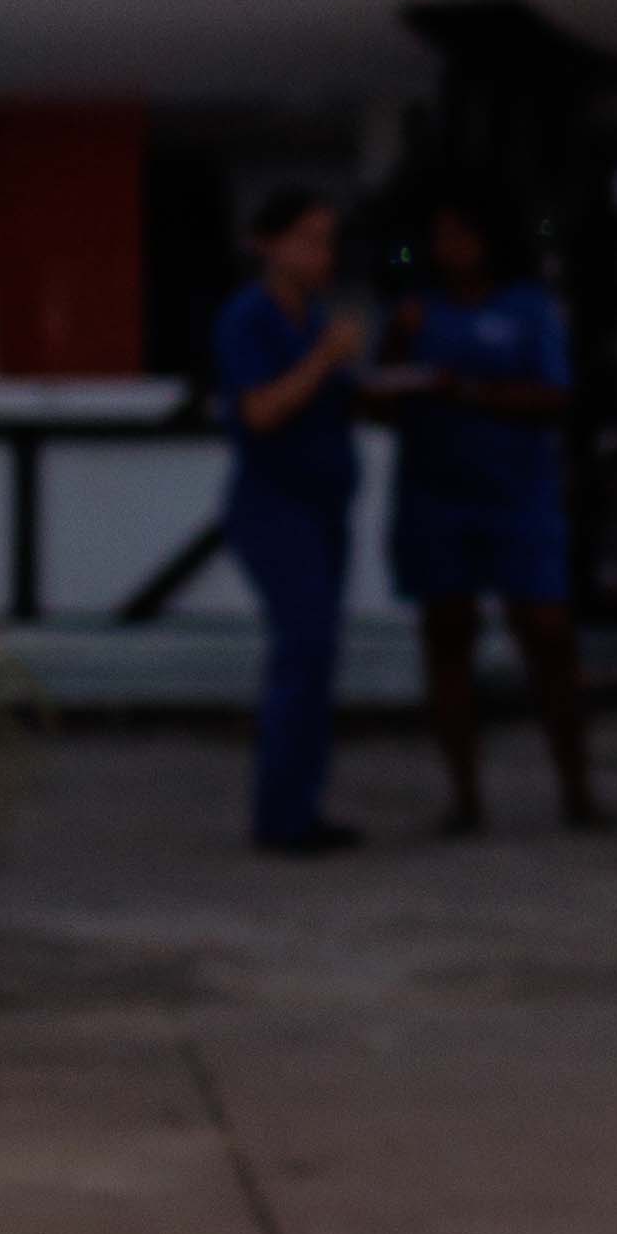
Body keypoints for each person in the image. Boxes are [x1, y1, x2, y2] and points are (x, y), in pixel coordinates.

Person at [372, 199, 605, 836]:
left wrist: (466, 390)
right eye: (439, 236)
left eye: (459, 234)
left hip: (519, 499)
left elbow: (557, 394)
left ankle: (577, 790)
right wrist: (398, 345)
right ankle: (464, 797)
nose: (447, 248)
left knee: (547, 637)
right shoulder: (415, 311)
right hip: (435, 499)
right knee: (447, 636)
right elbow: (379, 402)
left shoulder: (528, 309)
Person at [212, 187, 366, 859]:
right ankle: (280, 815)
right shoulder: (251, 318)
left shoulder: (312, 316)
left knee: (316, 654)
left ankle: (301, 805)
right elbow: (260, 412)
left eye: (326, 241)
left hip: (322, 503)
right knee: (302, 648)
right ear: (268, 245)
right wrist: (326, 359)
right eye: (308, 240)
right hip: (275, 505)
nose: (322, 255)